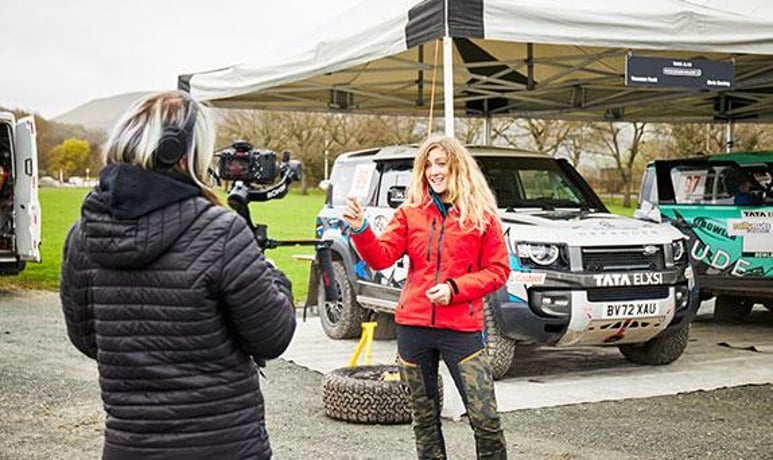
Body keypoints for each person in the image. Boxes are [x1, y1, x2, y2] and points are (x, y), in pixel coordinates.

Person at [59, 90, 296, 460]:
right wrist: (274, 276)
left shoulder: (82, 234)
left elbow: (87, 339)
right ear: (182, 156)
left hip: (129, 446)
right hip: (224, 447)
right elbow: (272, 337)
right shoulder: (221, 232)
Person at [342, 135, 510, 459]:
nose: (434, 171)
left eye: (441, 163)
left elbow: (498, 270)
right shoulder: (410, 213)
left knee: (485, 419)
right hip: (414, 328)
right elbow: (381, 258)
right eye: (428, 165)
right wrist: (361, 229)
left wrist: (455, 289)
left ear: (456, 166)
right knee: (424, 420)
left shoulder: (482, 215)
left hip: (462, 329)